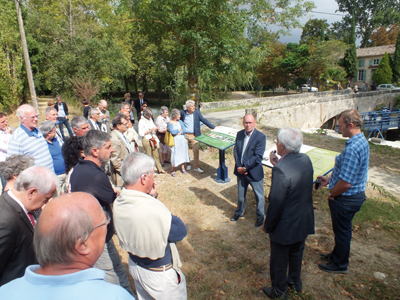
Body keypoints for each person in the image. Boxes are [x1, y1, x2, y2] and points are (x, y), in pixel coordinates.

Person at [0, 192, 135, 300]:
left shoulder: (4, 292)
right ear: (83, 245)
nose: (107, 223)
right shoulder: (115, 296)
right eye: (104, 220)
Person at [113, 153, 187, 300]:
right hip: (159, 276)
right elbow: (179, 231)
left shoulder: (119, 202)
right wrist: (154, 201)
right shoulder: (153, 209)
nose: (154, 180)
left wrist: (150, 197)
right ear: (144, 178)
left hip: (135, 266)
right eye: (153, 176)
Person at [69, 130, 134, 295]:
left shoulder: (80, 168)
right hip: (93, 237)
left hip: (100, 233)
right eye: (108, 147)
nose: (111, 150)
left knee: (116, 266)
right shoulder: (95, 176)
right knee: (109, 276)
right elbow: (114, 198)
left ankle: (128, 295)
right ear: (95, 151)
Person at [262, 127, 314, 299]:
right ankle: (295, 282)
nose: (276, 143)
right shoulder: (306, 160)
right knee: (297, 253)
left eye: (277, 141)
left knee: (279, 260)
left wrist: (267, 225)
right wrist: (278, 163)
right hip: (302, 220)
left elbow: (276, 203)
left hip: (285, 225)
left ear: (282, 145)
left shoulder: (281, 170)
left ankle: (279, 290)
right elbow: (294, 179)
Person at [317, 109, 369, 274]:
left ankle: (339, 264)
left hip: (346, 199)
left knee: (342, 231)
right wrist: (329, 180)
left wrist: (332, 193)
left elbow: (346, 183)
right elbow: (347, 171)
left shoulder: (352, 149)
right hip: (355, 196)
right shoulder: (362, 142)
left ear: (351, 125)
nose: (339, 129)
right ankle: (336, 255)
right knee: (342, 230)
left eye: (340, 126)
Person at [0, 166, 57, 286]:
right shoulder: (6, 222)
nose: (46, 204)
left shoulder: (20, 207)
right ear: (31, 192)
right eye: (45, 199)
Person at [230, 114, 266, 227]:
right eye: (246, 122)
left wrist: (246, 168)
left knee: (259, 196)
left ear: (255, 123)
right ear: (243, 123)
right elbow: (236, 151)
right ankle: (239, 212)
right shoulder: (239, 134)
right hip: (241, 171)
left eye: (250, 122)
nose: (248, 125)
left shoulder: (260, 137)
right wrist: (240, 167)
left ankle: (260, 217)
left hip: (254, 172)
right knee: (241, 195)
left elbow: (258, 157)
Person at [7, 104, 53, 171]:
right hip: (35, 180)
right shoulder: (17, 139)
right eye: (32, 117)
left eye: (36, 116)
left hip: (50, 177)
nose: (36, 119)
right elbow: (11, 165)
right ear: (22, 119)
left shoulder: (38, 131)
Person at [180, 100, 215, 173]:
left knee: (196, 151)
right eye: (192, 106)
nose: (194, 107)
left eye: (194, 106)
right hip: (185, 135)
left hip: (194, 135)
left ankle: (196, 167)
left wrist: (213, 127)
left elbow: (204, 120)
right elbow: (177, 121)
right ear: (188, 108)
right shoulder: (182, 113)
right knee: (185, 151)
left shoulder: (197, 113)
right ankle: (188, 163)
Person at [39, 121, 66, 196]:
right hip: (56, 176)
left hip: (65, 173)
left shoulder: (55, 140)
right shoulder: (42, 144)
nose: (56, 132)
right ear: (48, 133)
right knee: (57, 198)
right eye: (54, 130)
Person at [138, 107, 166, 174]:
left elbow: (153, 127)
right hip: (146, 139)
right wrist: (150, 130)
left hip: (153, 138)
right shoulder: (141, 121)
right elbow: (141, 133)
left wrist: (156, 128)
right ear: (146, 115)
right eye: (149, 115)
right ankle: (150, 171)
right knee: (149, 155)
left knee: (156, 154)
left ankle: (160, 169)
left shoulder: (150, 120)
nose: (150, 117)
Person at [110, 113, 132, 188]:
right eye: (125, 124)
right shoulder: (114, 139)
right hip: (121, 178)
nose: (127, 125)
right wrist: (126, 174)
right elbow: (115, 160)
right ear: (118, 126)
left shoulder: (121, 135)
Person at [167, 109, 189, 177]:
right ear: (175, 115)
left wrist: (179, 132)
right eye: (179, 115)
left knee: (182, 153)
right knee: (175, 153)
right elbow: (172, 132)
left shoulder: (180, 121)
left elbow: (184, 129)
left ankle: (182, 167)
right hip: (175, 141)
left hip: (182, 140)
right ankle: (173, 169)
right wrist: (178, 130)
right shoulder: (170, 123)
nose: (180, 116)